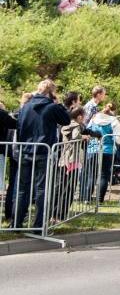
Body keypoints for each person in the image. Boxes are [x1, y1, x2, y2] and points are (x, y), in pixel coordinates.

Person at [14, 80, 71, 228]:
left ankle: (16, 223)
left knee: (22, 189)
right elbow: (66, 119)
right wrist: (58, 103)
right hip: (43, 151)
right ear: (51, 92)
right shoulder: (52, 107)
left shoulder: (25, 106)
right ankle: (38, 225)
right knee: (41, 189)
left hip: (25, 150)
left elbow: (19, 126)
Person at [80, 104, 117, 203]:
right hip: (107, 150)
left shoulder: (94, 119)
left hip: (93, 149)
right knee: (104, 175)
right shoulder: (113, 121)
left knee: (91, 174)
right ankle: (100, 199)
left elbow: (87, 130)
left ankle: (86, 198)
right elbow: (116, 138)